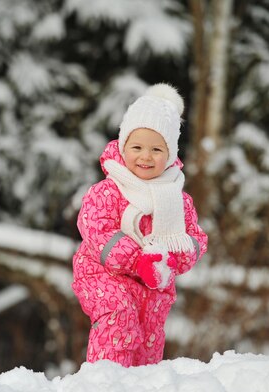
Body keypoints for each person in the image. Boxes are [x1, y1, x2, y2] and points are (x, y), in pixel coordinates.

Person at [72, 83, 208, 367]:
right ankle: (105, 380)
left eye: (157, 149)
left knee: (148, 337)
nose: (146, 157)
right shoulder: (108, 191)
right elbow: (96, 229)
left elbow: (195, 238)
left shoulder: (176, 198)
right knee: (119, 318)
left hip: (154, 285)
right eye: (137, 147)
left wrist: (169, 259)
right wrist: (136, 260)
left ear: (170, 155)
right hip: (103, 275)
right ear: (123, 147)